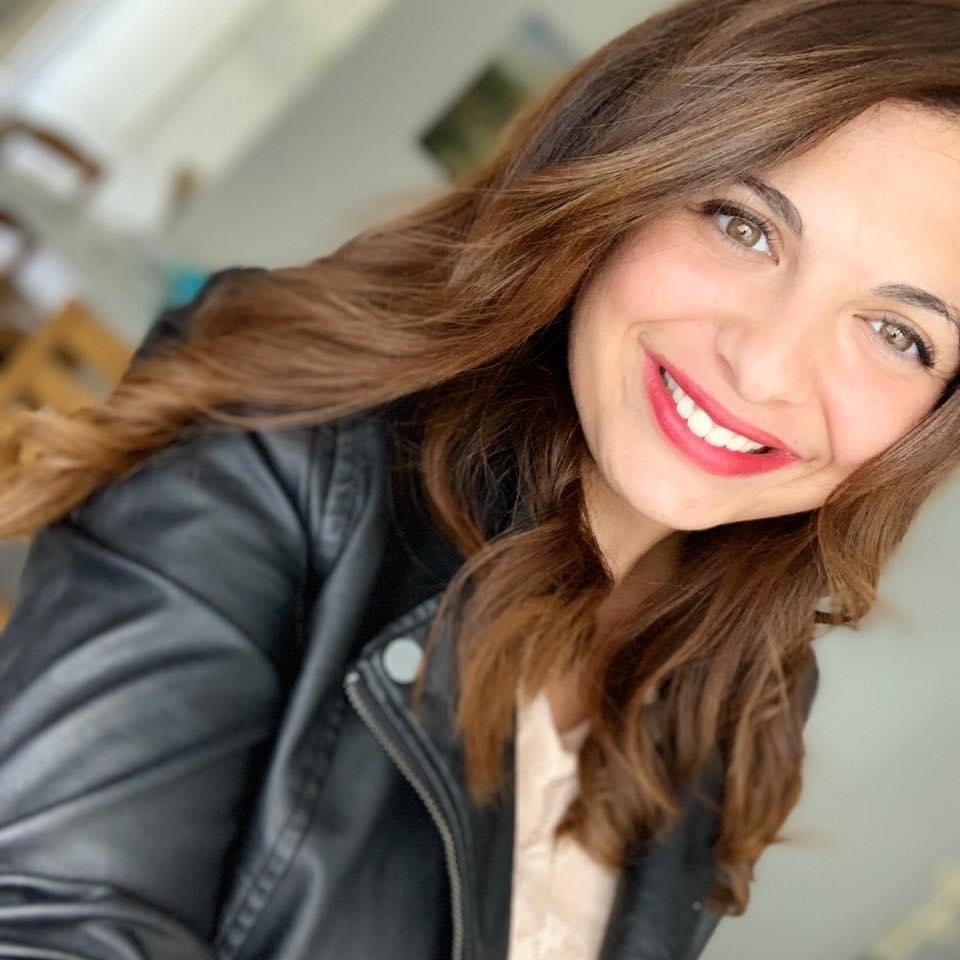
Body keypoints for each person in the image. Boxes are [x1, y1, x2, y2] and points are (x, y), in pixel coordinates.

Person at [1, 0, 959, 957]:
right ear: (622, 176)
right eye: (743, 226)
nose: (766, 368)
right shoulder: (285, 448)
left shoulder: (749, 693)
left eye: (896, 334)